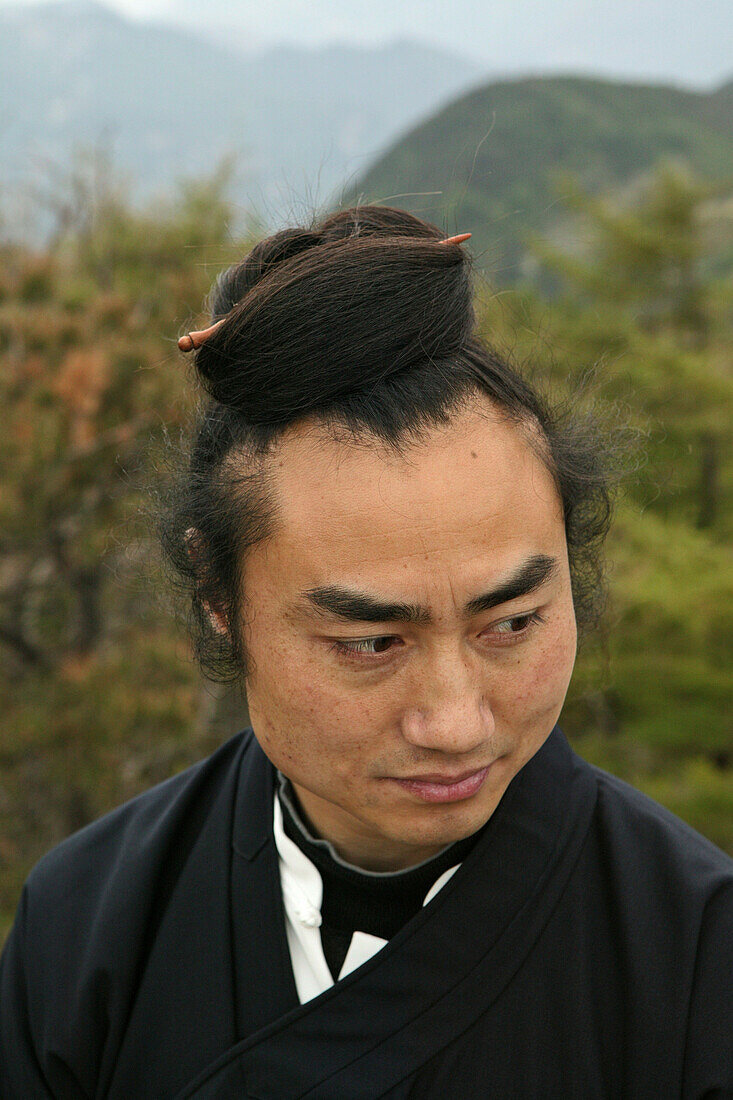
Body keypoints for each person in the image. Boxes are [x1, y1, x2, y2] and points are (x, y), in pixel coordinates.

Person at [0, 205, 731, 1099]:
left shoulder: (694, 946)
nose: (456, 722)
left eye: (510, 624)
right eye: (371, 642)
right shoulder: (87, 926)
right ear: (217, 594)